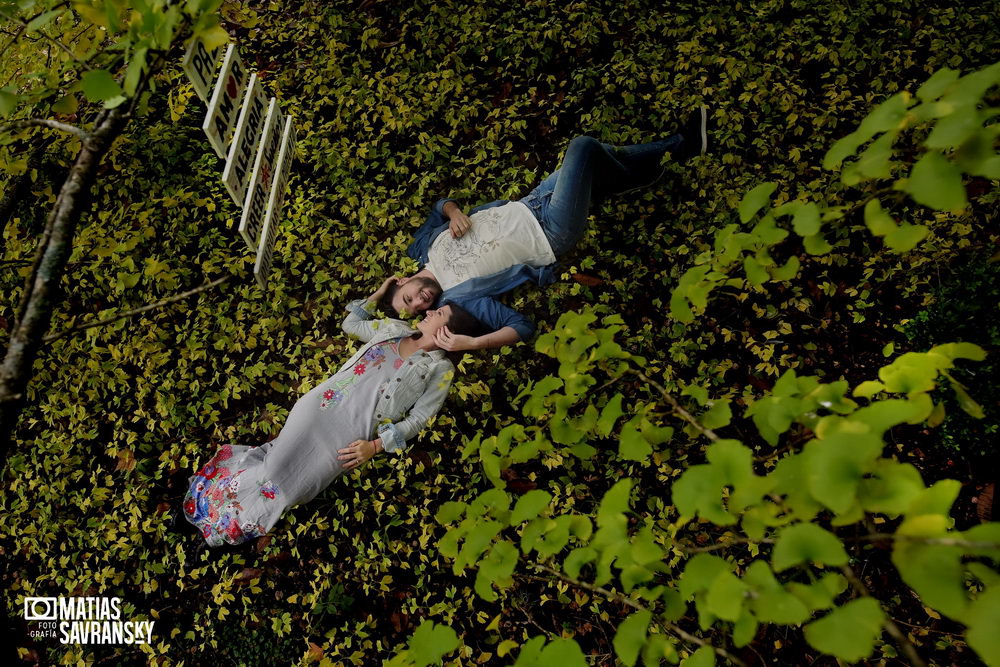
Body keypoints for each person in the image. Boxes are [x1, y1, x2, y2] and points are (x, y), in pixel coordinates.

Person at [383, 106, 710, 352]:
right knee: (583, 148)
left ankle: (651, 164)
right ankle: (673, 152)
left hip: (532, 201)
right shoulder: (458, 300)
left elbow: (439, 204)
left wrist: (453, 212)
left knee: (594, 164)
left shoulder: (423, 247)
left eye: (408, 298)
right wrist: (470, 343)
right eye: (416, 310)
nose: (420, 303)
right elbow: (522, 327)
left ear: (402, 280)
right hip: (552, 231)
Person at [180, 284, 483, 547]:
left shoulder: (440, 370)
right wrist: (382, 290)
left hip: (351, 435)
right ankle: (218, 511)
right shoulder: (394, 330)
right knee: (273, 472)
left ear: (448, 332)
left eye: (438, 314)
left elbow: (418, 419)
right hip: (320, 407)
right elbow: (352, 323)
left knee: (294, 489)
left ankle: (237, 518)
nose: (430, 313)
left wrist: (375, 446)